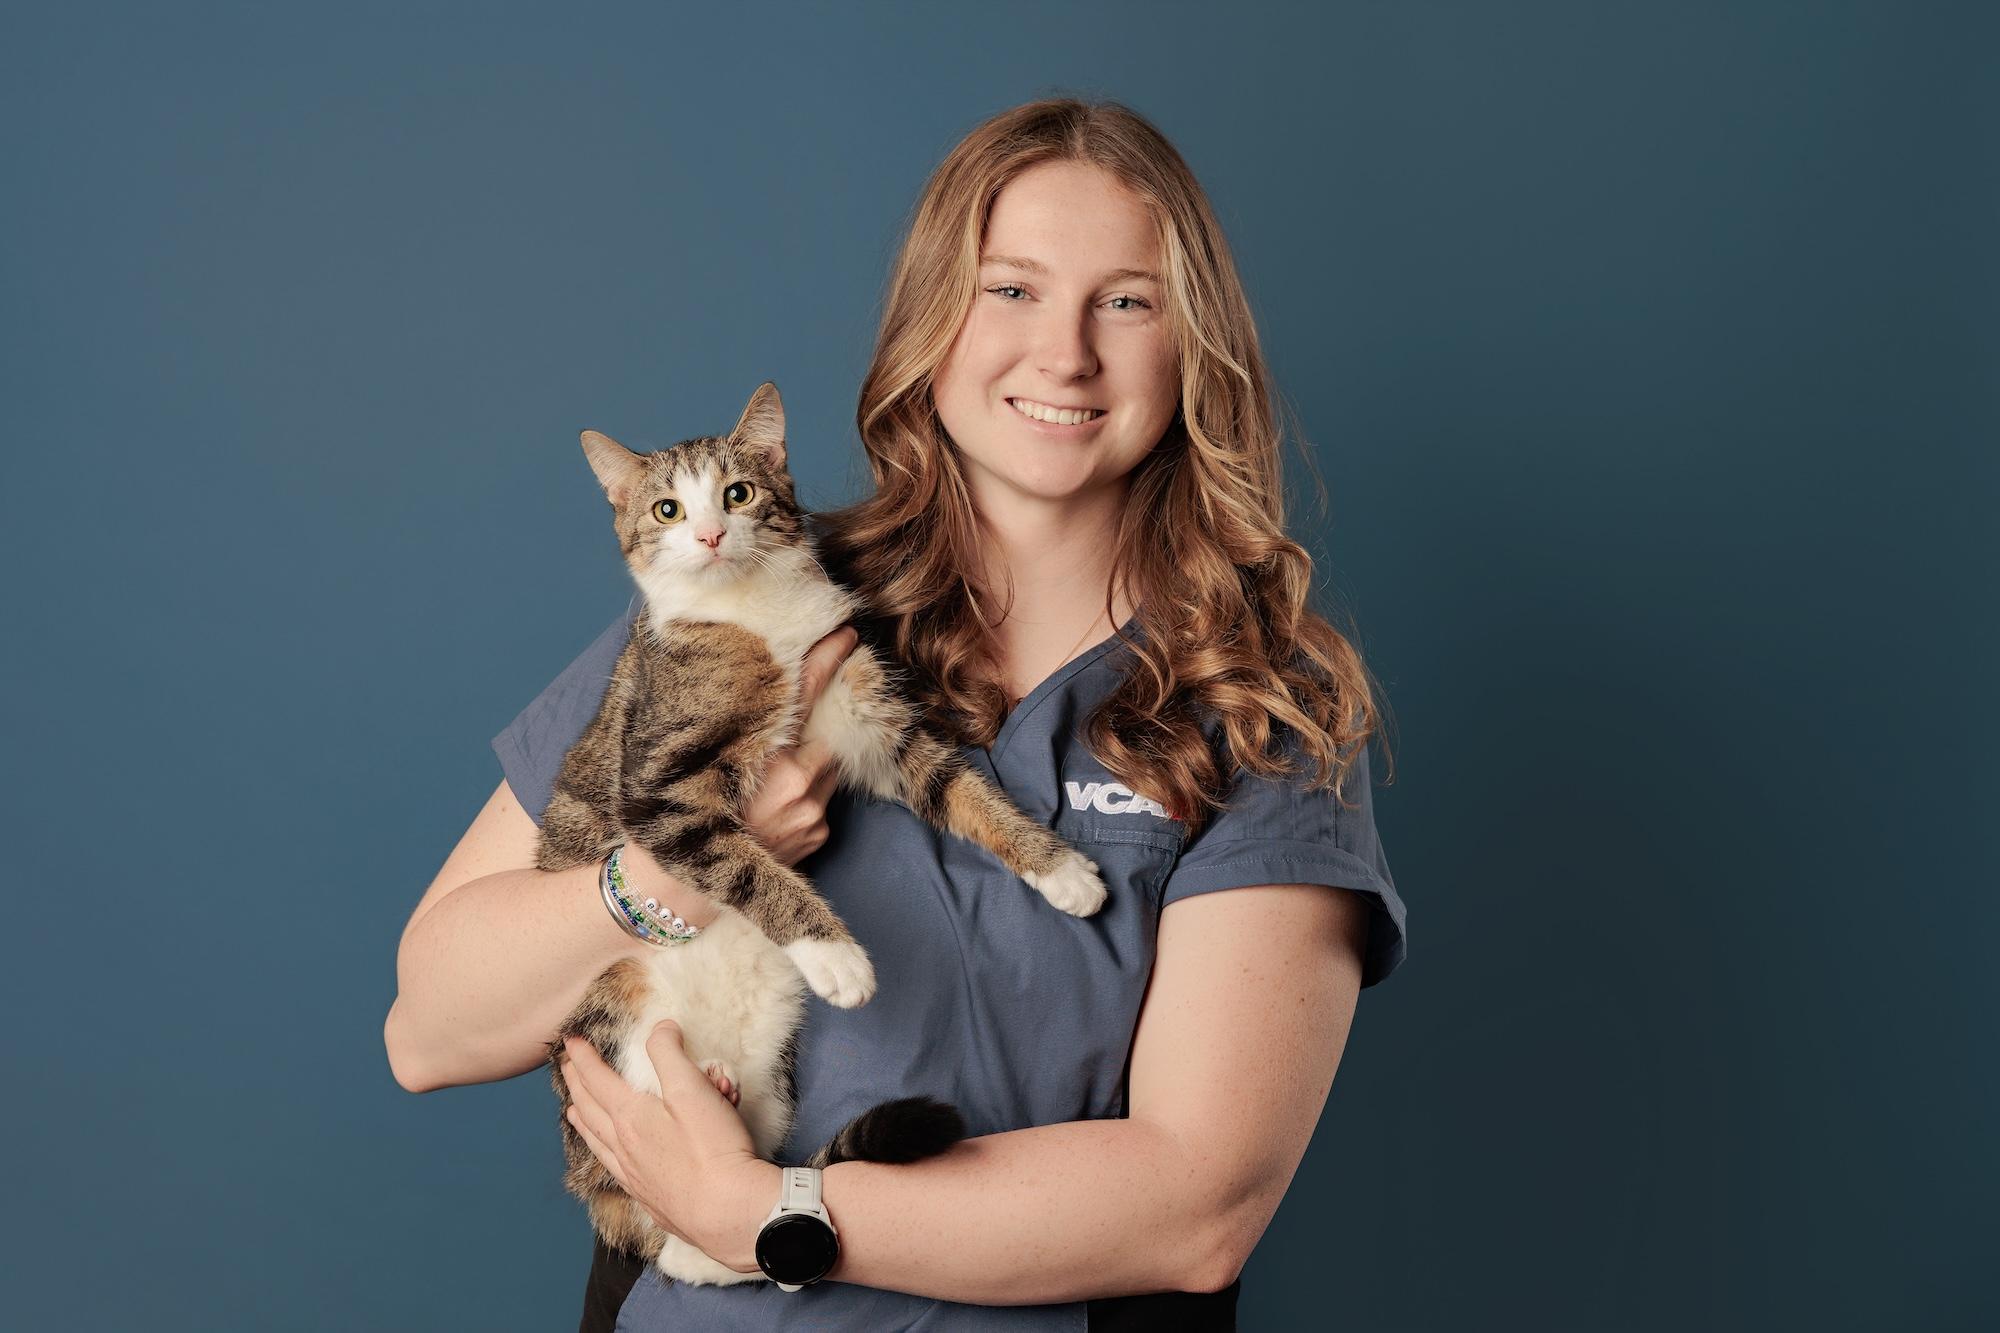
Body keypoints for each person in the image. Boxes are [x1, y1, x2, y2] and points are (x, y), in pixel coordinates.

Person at [386, 97, 1407, 1332]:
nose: (1065, 354)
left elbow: (1199, 1208)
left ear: (1194, 346)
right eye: (1011, 289)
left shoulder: (1258, 707)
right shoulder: (747, 598)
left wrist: (761, 1210)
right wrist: (674, 870)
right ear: (935, 322)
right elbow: (427, 1032)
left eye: (1127, 301)